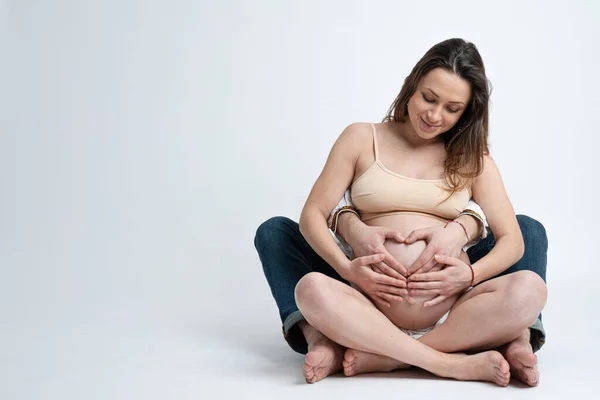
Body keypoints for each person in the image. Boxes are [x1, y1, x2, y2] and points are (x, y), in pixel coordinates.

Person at [254, 38, 548, 387]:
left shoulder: (474, 159)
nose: (434, 115)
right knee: (300, 273)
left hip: (452, 309)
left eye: (452, 108)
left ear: (467, 112)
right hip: (364, 299)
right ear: (411, 86)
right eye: (428, 98)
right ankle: (449, 363)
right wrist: (348, 267)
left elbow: (512, 241)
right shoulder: (361, 137)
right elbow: (312, 216)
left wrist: (468, 275)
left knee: (530, 277)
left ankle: (388, 356)